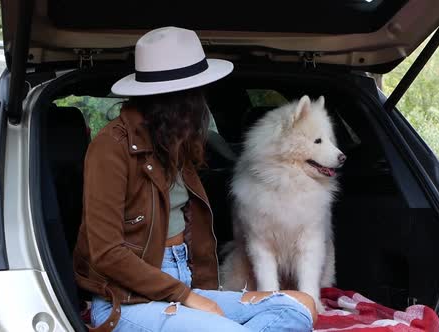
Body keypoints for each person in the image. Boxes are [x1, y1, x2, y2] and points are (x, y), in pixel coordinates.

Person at [72, 26, 317, 332]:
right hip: (128, 299)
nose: (201, 103)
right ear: (174, 99)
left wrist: (194, 294)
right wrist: (186, 296)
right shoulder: (111, 148)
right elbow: (106, 253)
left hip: (184, 281)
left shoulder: (176, 141)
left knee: (299, 306)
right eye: (195, 93)